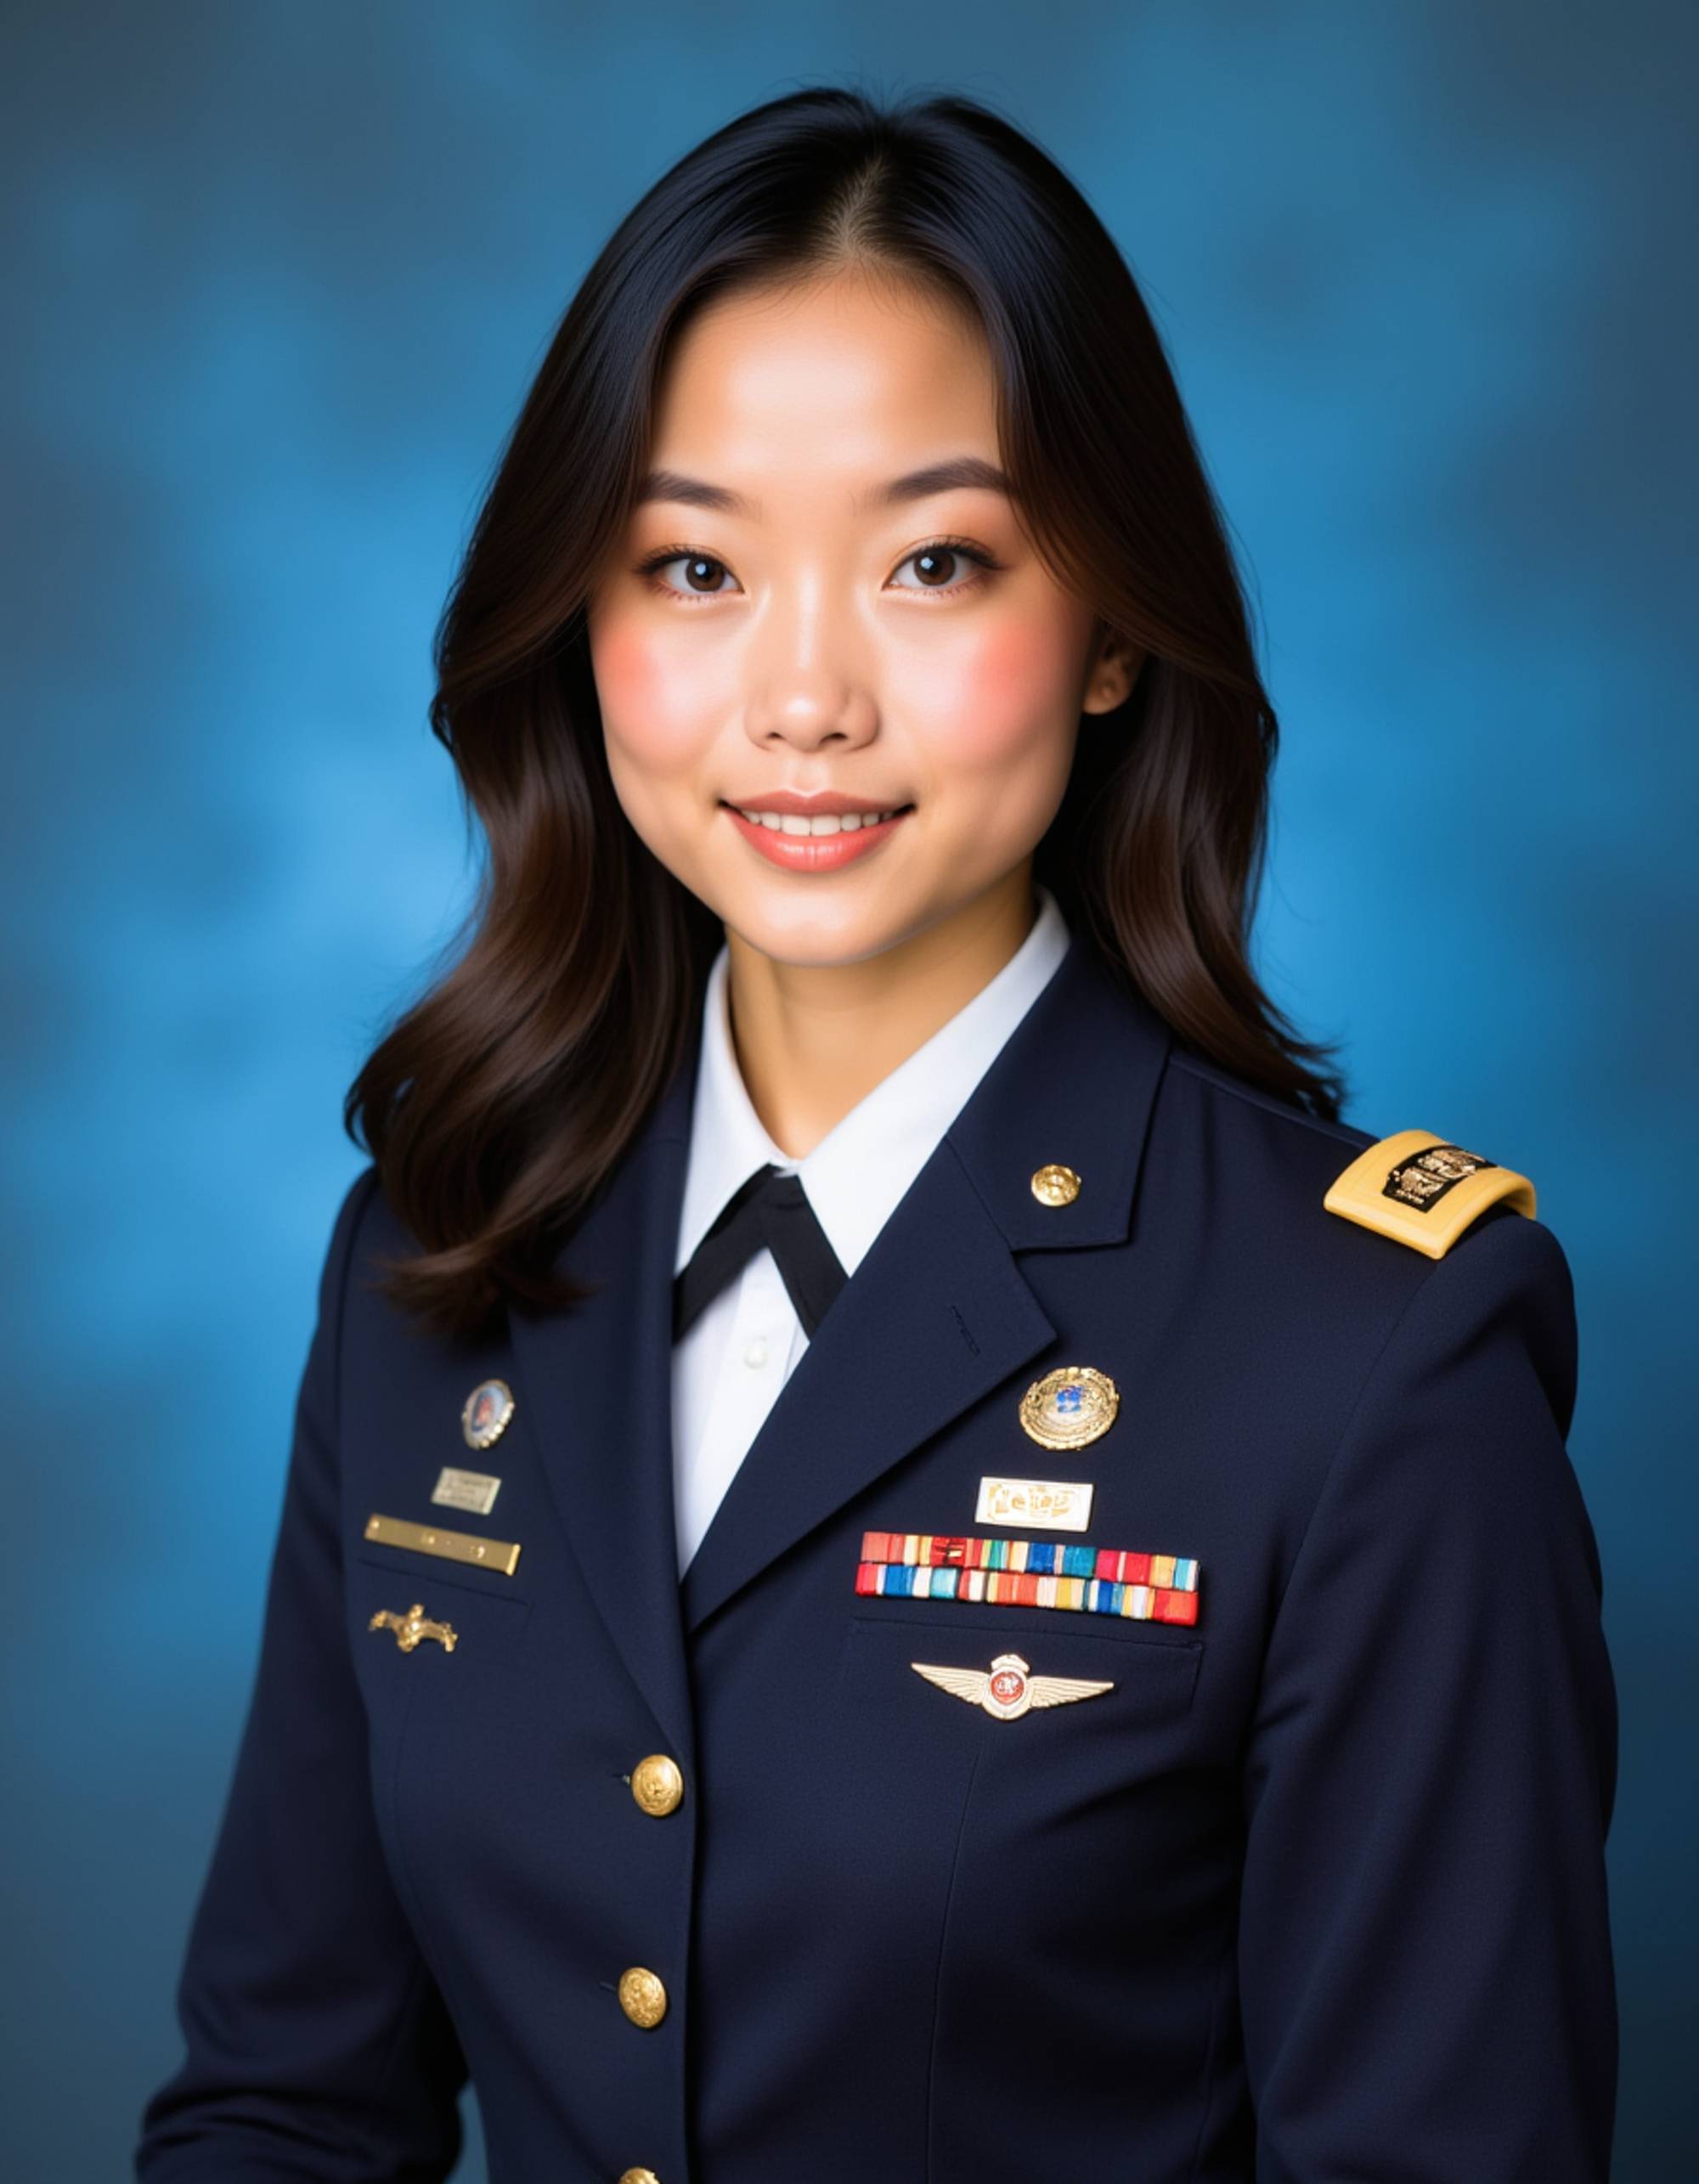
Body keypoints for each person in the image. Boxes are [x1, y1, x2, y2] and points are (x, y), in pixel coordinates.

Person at [133, 83, 1618, 2184]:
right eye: (693, 564)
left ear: (1112, 626)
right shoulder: (424, 1262)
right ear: (582, 622)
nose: (804, 696)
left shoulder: (1372, 1346)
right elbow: (287, 2107)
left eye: (935, 559)